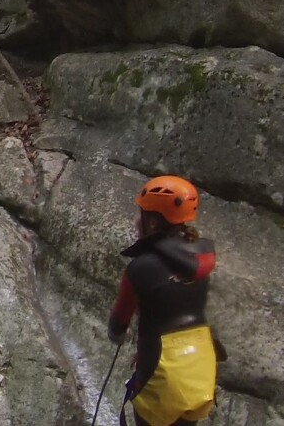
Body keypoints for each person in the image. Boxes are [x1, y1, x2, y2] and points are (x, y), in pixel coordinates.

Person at [108, 175, 221, 426]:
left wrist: (117, 334)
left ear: (152, 220)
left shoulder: (140, 268)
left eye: (141, 213)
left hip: (162, 371)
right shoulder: (202, 258)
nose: (136, 219)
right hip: (200, 365)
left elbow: (118, 326)